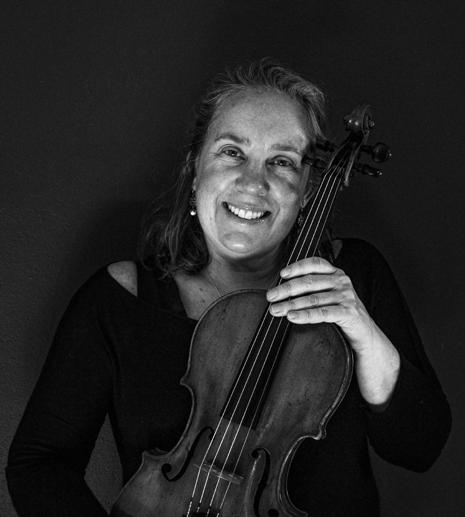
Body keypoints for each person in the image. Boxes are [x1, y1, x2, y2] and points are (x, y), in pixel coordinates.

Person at [6, 60, 451, 516]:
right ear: (194, 169)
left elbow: (419, 447)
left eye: (282, 161)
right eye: (232, 152)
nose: (253, 183)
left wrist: (363, 332)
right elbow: (39, 463)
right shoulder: (119, 300)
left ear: (306, 192)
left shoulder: (353, 276)